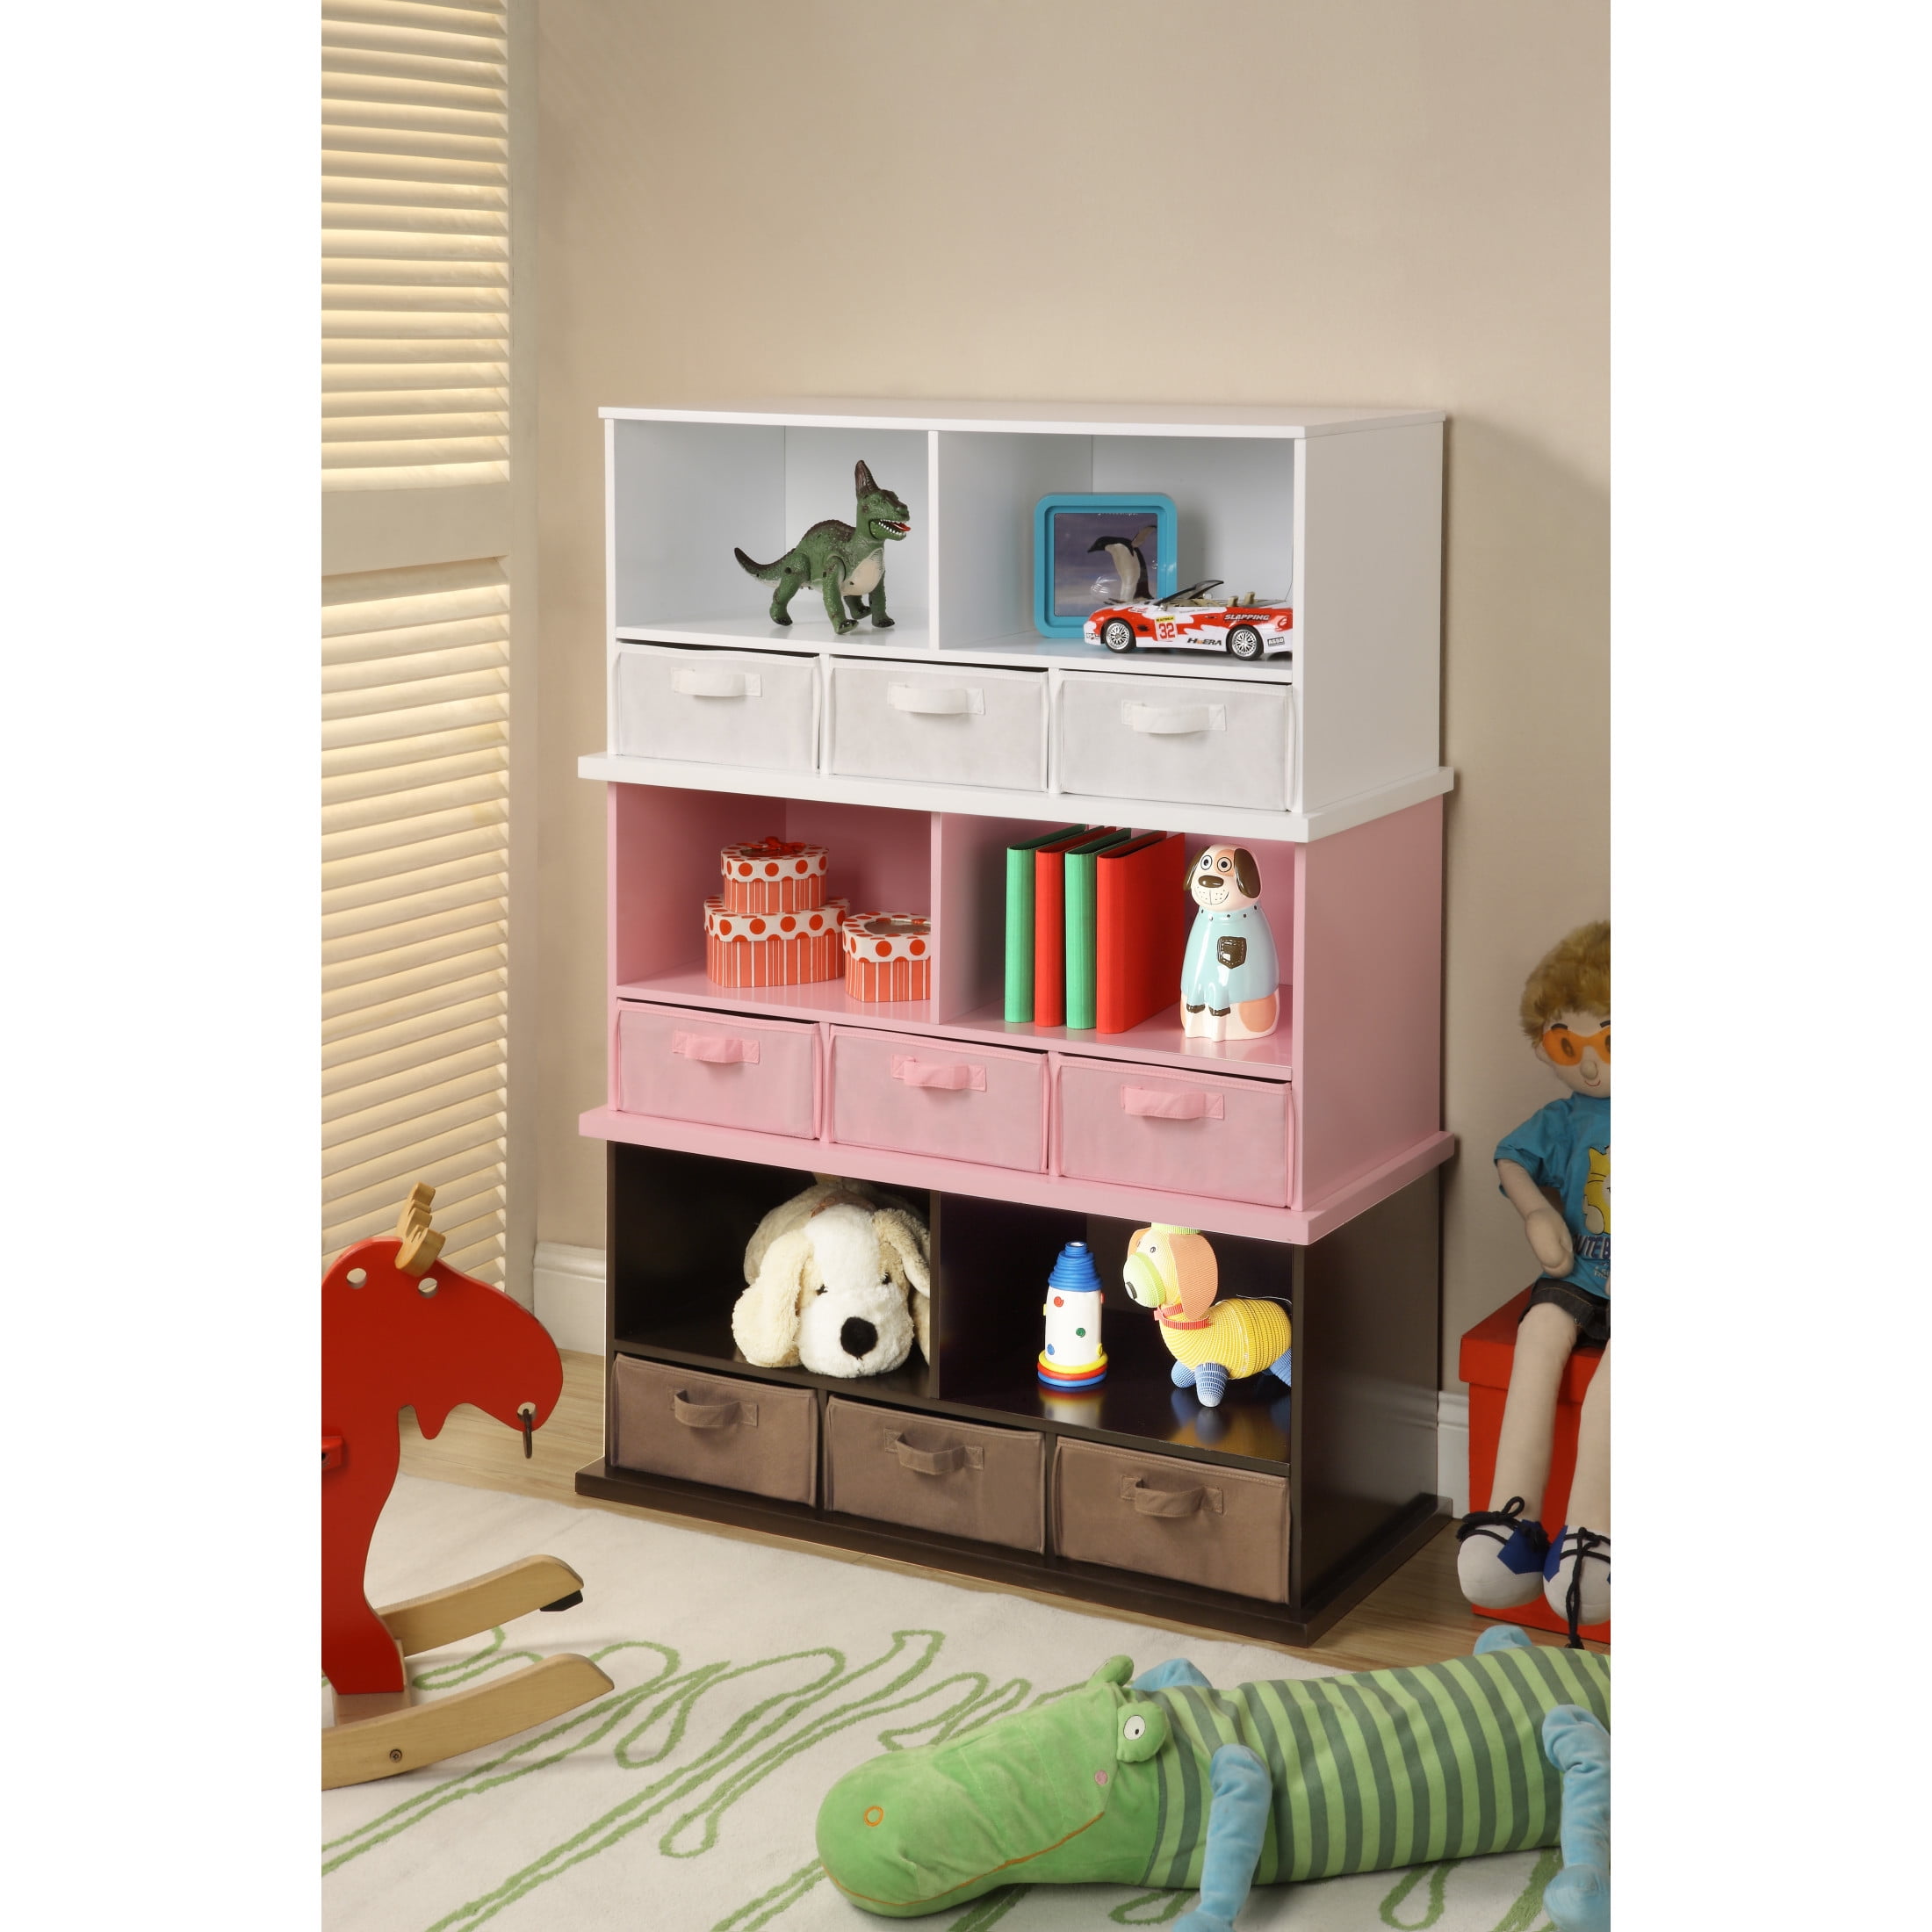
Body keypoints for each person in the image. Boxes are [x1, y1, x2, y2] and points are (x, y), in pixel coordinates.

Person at [1456, 921, 1611, 1632]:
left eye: (1609, 1042)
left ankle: (1593, 1535)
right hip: (1581, 1273)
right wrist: (1535, 1214)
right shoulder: (1568, 1118)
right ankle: (1509, 1522)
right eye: (1566, 1047)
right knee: (1538, 1337)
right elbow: (1512, 1158)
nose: (1590, 1067)